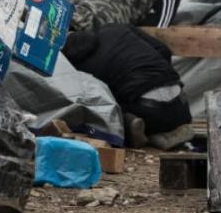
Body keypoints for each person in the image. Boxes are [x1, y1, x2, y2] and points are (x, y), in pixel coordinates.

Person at [63, 24, 193, 150]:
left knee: (98, 111)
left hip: (147, 112)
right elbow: (163, 50)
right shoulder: (117, 28)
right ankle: (164, 131)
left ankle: (131, 127)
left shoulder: (80, 69)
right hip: (182, 106)